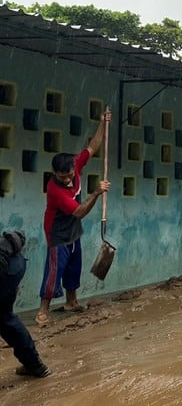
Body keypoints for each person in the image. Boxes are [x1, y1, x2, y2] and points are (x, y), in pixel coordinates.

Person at [35, 110, 112, 326]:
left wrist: (102, 124)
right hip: (57, 233)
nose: (68, 179)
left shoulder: (75, 164)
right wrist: (96, 193)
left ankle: (72, 302)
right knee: (53, 272)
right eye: (63, 177)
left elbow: (93, 147)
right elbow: (80, 211)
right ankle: (42, 311)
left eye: (70, 175)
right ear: (55, 174)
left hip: (73, 229)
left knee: (73, 267)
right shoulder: (55, 191)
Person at [0, 230, 51, 377]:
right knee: (5, 318)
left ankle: (34, 365)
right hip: (13, 264)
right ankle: (34, 365)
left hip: (8, 268)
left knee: (4, 317)